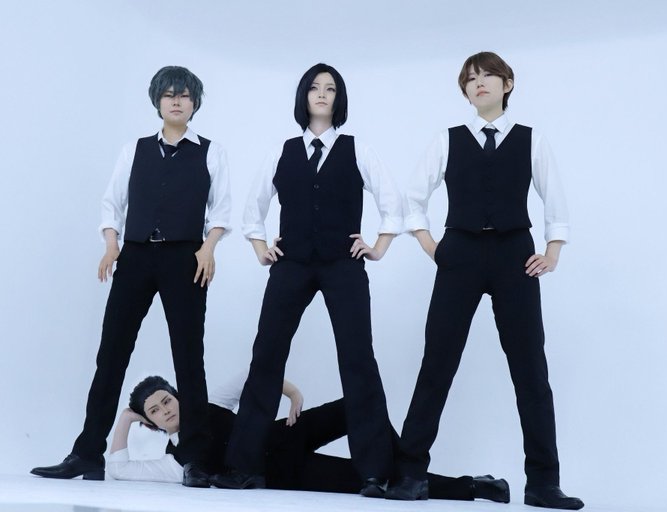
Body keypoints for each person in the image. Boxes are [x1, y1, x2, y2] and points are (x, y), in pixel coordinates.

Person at [385, 52, 583, 510]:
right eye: (470, 79)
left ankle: (543, 483)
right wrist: (431, 246)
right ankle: (410, 472)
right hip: (460, 252)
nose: (479, 83)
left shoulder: (531, 140)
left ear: (507, 83)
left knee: (530, 368)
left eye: (488, 75)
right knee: (437, 362)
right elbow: (413, 198)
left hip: (516, 255)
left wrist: (552, 251)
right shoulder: (447, 139)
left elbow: (555, 200)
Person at [30, 66, 231, 488]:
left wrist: (208, 248)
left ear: (194, 103)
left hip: (186, 258)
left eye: (184, 95)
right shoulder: (134, 150)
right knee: (111, 355)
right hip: (136, 255)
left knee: (189, 358)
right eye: (169, 94)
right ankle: (87, 453)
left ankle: (195, 459)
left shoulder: (211, 152)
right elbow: (112, 202)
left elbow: (221, 210)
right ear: (157, 101)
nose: (176, 101)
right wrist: (111, 245)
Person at [216, 63, 401, 496]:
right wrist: (261, 248)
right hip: (292, 263)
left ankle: (375, 472)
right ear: (303, 96)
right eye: (314, 88)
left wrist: (378, 246)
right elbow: (253, 210)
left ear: (339, 99)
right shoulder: (281, 152)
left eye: (330, 89)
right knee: (266, 357)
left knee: (358, 360)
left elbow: (393, 204)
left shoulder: (358, 150)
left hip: (342, 264)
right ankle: (244, 467)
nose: (321, 94)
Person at [109, 373, 510, 503]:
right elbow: (118, 468)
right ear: (151, 423)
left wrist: (293, 393)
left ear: (177, 395)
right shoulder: (174, 463)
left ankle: (405, 469)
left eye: (166, 400)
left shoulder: (209, 400)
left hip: (286, 432)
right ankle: (476, 486)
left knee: (359, 403)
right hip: (289, 472)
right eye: (154, 412)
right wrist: (126, 418)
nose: (165, 411)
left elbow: (256, 373)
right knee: (373, 478)